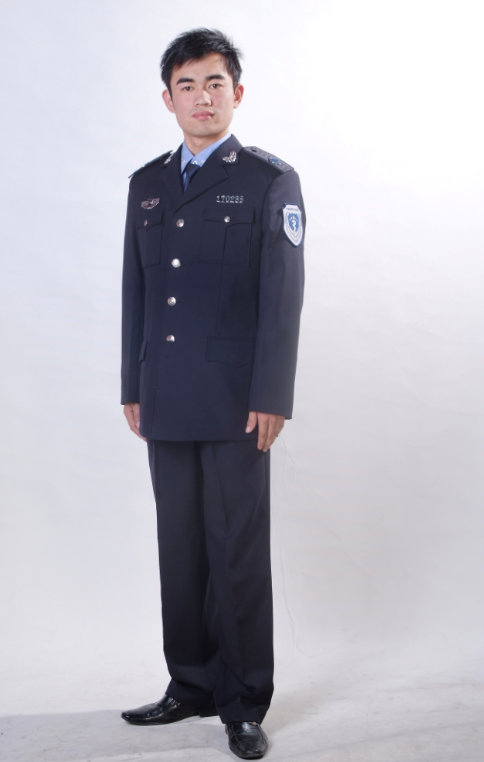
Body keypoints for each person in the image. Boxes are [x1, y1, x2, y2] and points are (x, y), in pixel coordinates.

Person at [120, 28, 305, 760]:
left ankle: (243, 701)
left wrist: (273, 394)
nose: (202, 97)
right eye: (187, 85)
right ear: (168, 99)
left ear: (237, 92)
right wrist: (132, 383)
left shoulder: (267, 181)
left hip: (237, 402)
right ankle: (190, 684)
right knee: (181, 548)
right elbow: (136, 292)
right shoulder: (146, 184)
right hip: (164, 395)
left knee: (236, 554)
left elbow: (282, 297)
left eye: (215, 82)